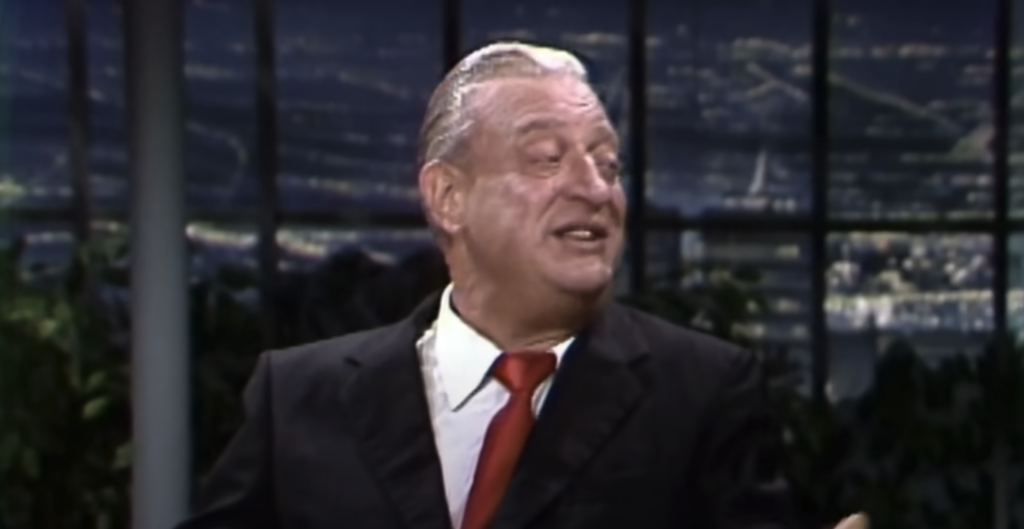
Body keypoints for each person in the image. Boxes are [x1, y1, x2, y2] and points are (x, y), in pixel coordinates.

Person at [177, 42, 868, 529]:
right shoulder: (298, 397)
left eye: (608, 163)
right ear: (448, 197)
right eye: (546, 158)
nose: (594, 188)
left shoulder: (703, 393)